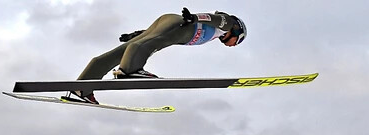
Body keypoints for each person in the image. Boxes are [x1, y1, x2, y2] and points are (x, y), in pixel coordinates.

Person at [67, 8, 247, 104]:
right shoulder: (227, 23)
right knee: (156, 43)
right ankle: (130, 70)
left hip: (169, 21)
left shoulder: (216, 33)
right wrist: (194, 18)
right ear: (237, 31)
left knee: (121, 52)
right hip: (183, 26)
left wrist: (137, 34)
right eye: (237, 41)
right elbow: (215, 18)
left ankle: (83, 87)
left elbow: (155, 34)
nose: (233, 45)